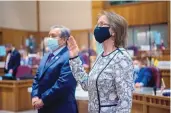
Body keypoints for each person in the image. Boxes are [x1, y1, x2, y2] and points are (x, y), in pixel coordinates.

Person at [67, 11, 134, 113]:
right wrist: (74, 57)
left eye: (102, 24)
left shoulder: (121, 58)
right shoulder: (100, 56)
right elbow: (87, 85)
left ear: (114, 31)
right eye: (97, 24)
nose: (97, 28)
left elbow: (125, 101)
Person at [31, 25, 78, 113]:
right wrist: (35, 96)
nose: (49, 39)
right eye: (49, 36)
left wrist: (43, 100)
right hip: (43, 107)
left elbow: (63, 84)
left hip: (61, 107)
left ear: (64, 40)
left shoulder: (69, 56)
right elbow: (37, 77)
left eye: (53, 36)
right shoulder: (46, 56)